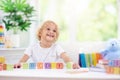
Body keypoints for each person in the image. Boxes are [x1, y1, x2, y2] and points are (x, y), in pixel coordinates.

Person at [15, 20, 80, 69]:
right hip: (37, 75)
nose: (51, 32)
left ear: (56, 36)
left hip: (51, 75)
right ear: (40, 33)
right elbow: (23, 60)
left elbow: (66, 57)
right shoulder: (32, 47)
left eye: (54, 31)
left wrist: (72, 64)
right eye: (48, 29)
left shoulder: (56, 47)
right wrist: (19, 64)